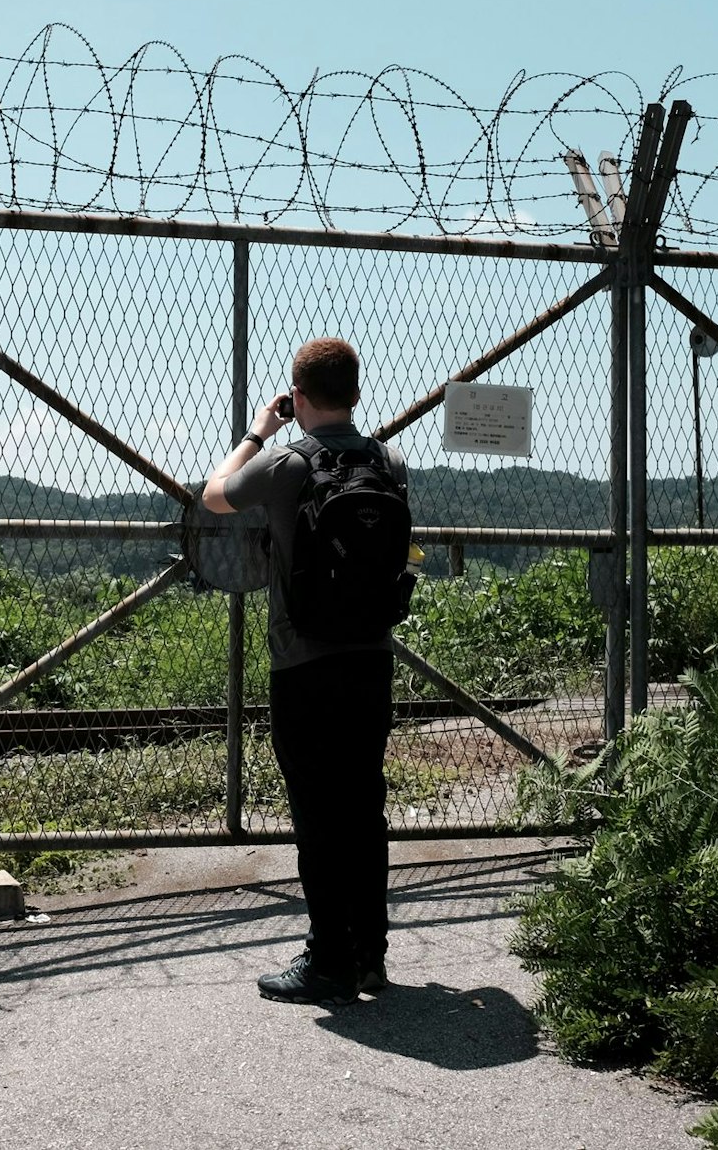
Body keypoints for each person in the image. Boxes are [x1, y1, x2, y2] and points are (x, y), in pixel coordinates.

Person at [202, 336, 408, 1005]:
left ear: (297, 395)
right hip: (373, 656)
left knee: (318, 814)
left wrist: (258, 430)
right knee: (363, 805)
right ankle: (370, 952)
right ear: (355, 390)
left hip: (304, 662)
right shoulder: (391, 461)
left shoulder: (288, 463)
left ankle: (328, 960)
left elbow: (215, 495)